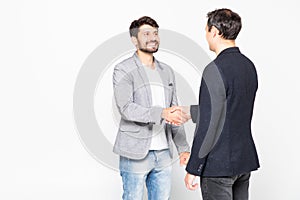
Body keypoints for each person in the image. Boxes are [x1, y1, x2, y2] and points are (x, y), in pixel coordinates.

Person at [184, 8, 260, 200]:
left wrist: (194, 167)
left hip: (218, 166)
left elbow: (210, 124)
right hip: (242, 162)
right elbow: (231, 108)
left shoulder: (214, 69)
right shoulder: (248, 66)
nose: (206, 35)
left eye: (206, 30)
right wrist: (191, 112)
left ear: (214, 31)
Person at [112, 16, 190, 200]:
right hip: (135, 152)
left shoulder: (167, 71)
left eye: (155, 33)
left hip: (163, 153)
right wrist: (161, 113)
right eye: (146, 33)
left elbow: (174, 111)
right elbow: (126, 107)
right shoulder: (123, 69)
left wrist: (183, 148)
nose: (153, 37)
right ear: (134, 40)